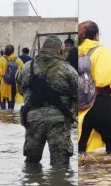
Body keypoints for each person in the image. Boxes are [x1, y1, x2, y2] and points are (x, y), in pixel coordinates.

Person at [16, 35, 77, 166]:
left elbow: (20, 89)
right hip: (59, 121)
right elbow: (78, 93)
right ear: (59, 50)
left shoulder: (27, 67)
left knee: (31, 163)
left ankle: (35, 185)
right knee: (60, 165)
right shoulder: (67, 69)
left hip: (33, 120)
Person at [77, 21, 111, 154]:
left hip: (80, 106)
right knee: (110, 149)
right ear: (97, 36)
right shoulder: (102, 52)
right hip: (101, 102)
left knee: (80, 148)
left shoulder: (74, 52)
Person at [0, 45, 24, 110]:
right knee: (11, 100)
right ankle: (11, 116)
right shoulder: (18, 60)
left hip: (3, 83)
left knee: (2, 101)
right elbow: (23, 71)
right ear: (13, 51)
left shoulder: (1, 59)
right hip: (13, 84)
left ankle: (3, 115)